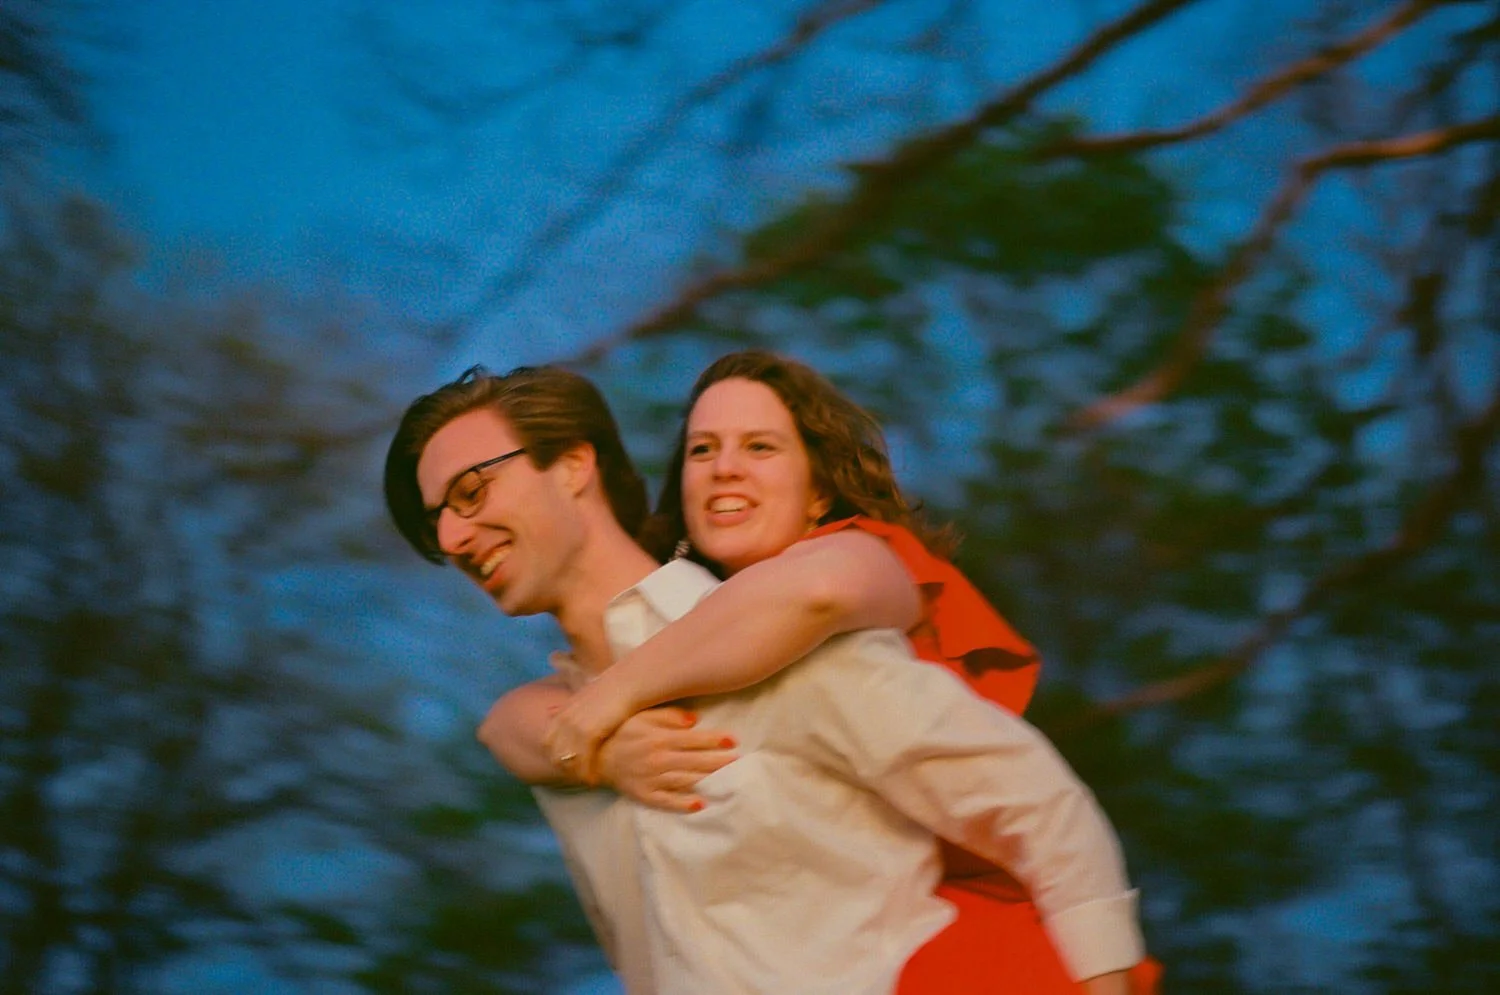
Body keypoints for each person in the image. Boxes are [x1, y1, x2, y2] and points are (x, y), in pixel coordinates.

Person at [385, 363, 1146, 994]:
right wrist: (592, 742)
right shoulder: (558, 737)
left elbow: (1043, 809)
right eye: (434, 521)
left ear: (575, 465)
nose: (451, 536)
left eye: (471, 491)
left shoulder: (777, 634)